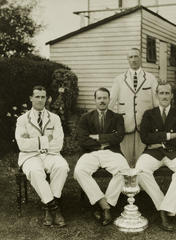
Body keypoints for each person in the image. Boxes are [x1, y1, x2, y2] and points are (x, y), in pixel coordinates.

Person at [135, 82, 176, 232]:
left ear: (172, 96)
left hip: (175, 152)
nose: (164, 96)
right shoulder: (149, 114)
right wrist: (169, 135)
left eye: (167, 93)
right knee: (140, 170)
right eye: (161, 93)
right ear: (157, 95)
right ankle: (164, 208)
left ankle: (165, 208)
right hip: (153, 153)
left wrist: (161, 143)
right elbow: (145, 137)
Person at [74, 87, 129, 226]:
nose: (102, 101)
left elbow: (119, 137)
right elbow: (82, 140)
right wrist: (102, 143)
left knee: (124, 170)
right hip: (90, 153)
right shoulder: (85, 118)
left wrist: (97, 137)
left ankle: (108, 202)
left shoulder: (117, 117)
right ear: (95, 100)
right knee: (79, 171)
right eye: (99, 98)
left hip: (111, 152)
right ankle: (104, 204)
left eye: (105, 98)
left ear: (109, 100)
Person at [15, 85, 69, 227]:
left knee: (62, 167)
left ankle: (48, 206)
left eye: (43, 97)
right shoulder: (22, 119)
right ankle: (54, 209)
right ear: (31, 98)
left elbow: (58, 144)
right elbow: (22, 145)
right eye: (37, 96)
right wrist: (46, 139)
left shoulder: (55, 118)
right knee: (34, 171)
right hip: (30, 156)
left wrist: (32, 141)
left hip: (51, 154)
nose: (40, 100)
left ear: (47, 99)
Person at [109, 47, 158, 167]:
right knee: (126, 161)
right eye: (131, 57)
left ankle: (139, 184)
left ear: (140, 58)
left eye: (136, 56)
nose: (134, 59)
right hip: (126, 126)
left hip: (145, 128)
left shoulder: (151, 78)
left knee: (143, 162)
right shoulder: (119, 79)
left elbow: (157, 104)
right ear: (127, 59)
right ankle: (128, 184)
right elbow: (110, 102)